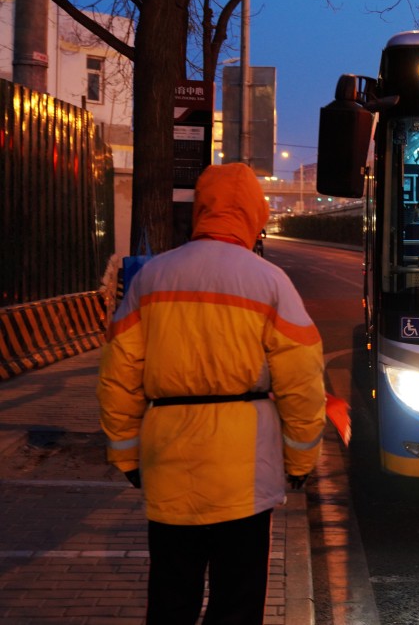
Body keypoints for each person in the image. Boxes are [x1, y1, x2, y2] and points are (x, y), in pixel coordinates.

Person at [97, 162, 326, 625]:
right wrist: (300, 461)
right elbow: (302, 383)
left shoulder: (152, 278)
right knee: (237, 603)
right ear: (254, 215)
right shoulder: (269, 282)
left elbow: (119, 375)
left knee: (171, 597)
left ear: (201, 210)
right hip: (244, 472)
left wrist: (125, 455)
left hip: (168, 463)